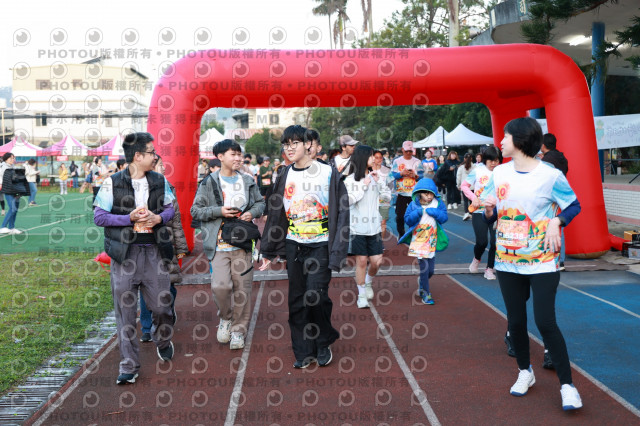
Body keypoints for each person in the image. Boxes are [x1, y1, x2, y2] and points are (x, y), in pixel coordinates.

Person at [481, 117, 583, 410]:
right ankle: (525, 372)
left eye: (505, 136)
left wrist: (557, 221)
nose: (500, 141)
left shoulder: (550, 175)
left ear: (521, 140)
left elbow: (573, 205)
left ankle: (568, 387)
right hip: (507, 260)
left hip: (542, 260)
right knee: (515, 322)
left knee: (545, 322)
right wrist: (488, 211)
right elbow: (490, 213)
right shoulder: (499, 173)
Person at [259, 125, 349, 369]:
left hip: (321, 245)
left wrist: (339, 249)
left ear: (308, 145)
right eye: (286, 144)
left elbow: (342, 213)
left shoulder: (328, 173)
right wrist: (268, 250)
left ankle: (323, 341)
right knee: (297, 300)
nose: (289, 148)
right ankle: (303, 350)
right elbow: (276, 214)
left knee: (315, 296)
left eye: (294, 143)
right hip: (294, 245)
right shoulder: (284, 174)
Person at [93, 132, 176, 385]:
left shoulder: (159, 180)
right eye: (152, 152)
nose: (155, 157)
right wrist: (128, 218)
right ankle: (128, 365)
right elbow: (99, 217)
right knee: (125, 314)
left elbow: (171, 208)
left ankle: (163, 339)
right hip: (124, 255)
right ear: (138, 156)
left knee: (162, 306)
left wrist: (158, 218)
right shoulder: (112, 183)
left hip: (154, 252)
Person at [191, 139, 265, 351]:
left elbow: (260, 202)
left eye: (239, 154)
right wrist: (219, 211)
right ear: (220, 157)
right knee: (220, 286)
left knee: (243, 289)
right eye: (233, 154)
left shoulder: (248, 180)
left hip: (243, 243)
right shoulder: (208, 183)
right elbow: (195, 211)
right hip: (219, 244)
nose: (238, 158)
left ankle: (238, 330)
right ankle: (225, 317)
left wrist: (252, 212)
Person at [139, 156, 189, 343]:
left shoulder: (169, 188)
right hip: (143, 245)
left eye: (162, 165)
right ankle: (147, 327)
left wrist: (181, 247)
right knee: (145, 287)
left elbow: (176, 220)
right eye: (160, 165)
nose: (163, 168)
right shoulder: (138, 189)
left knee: (169, 286)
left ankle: (167, 310)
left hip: (166, 244)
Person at [344, 145, 391, 309]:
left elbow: (386, 198)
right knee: (362, 261)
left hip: (374, 227)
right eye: (371, 156)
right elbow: (348, 201)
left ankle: (368, 281)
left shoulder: (377, 177)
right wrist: (363, 185)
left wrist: (379, 183)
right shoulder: (350, 180)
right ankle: (361, 295)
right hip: (357, 228)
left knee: (377, 262)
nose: (374, 159)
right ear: (363, 158)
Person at [398, 178, 448, 304]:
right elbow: (407, 220)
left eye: (431, 194)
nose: (429, 196)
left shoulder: (438, 203)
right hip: (419, 241)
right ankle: (426, 293)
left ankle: (422, 282)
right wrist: (417, 213)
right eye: (426, 194)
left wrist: (436, 213)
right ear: (419, 193)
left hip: (432, 240)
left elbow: (444, 218)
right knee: (424, 269)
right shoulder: (413, 205)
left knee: (430, 270)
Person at [461, 146, 501, 280]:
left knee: (495, 242)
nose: (494, 163)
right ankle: (477, 258)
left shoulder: (502, 172)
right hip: (479, 210)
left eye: (496, 160)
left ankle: (489, 269)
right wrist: (474, 198)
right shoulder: (477, 170)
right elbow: (464, 186)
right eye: (491, 160)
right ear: (485, 160)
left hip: (497, 211)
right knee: (482, 242)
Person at [541, 133, 569, 272]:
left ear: (543, 145)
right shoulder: (562, 158)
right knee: (558, 226)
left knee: (545, 226)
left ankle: (549, 259)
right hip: (560, 196)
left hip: (548, 196)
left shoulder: (547, 160)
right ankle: (560, 260)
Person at [391, 141, 424, 237]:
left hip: (414, 193)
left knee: (414, 215)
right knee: (400, 216)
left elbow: (422, 176)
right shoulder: (397, 161)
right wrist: (401, 173)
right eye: (406, 151)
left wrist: (415, 176)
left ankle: (413, 233)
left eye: (410, 151)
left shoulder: (417, 162)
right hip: (401, 193)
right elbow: (393, 175)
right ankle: (401, 233)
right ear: (402, 150)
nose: (409, 153)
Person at [1, 153, 30, 235]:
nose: (13, 160)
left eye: (13, 158)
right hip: (8, 190)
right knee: (12, 208)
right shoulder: (3, 167)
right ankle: (2, 227)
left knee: (15, 209)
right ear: (6, 159)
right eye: (11, 158)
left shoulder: (13, 167)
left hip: (16, 190)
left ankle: (11, 228)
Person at [372, 150, 393, 235]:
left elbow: (391, 185)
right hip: (371, 200)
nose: (379, 160)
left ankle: (381, 242)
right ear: (372, 158)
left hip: (383, 200)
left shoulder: (386, 170)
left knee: (383, 222)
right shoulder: (368, 170)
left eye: (380, 158)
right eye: (376, 157)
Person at [456, 153, 475, 220]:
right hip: (472, 186)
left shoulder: (461, 167)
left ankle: (466, 213)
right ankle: (472, 213)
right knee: (472, 200)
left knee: (465, 201)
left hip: (464, 186)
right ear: (471, 159)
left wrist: (458, 185)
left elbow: (458, 177)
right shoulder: (475, 167)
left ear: (464, 159)